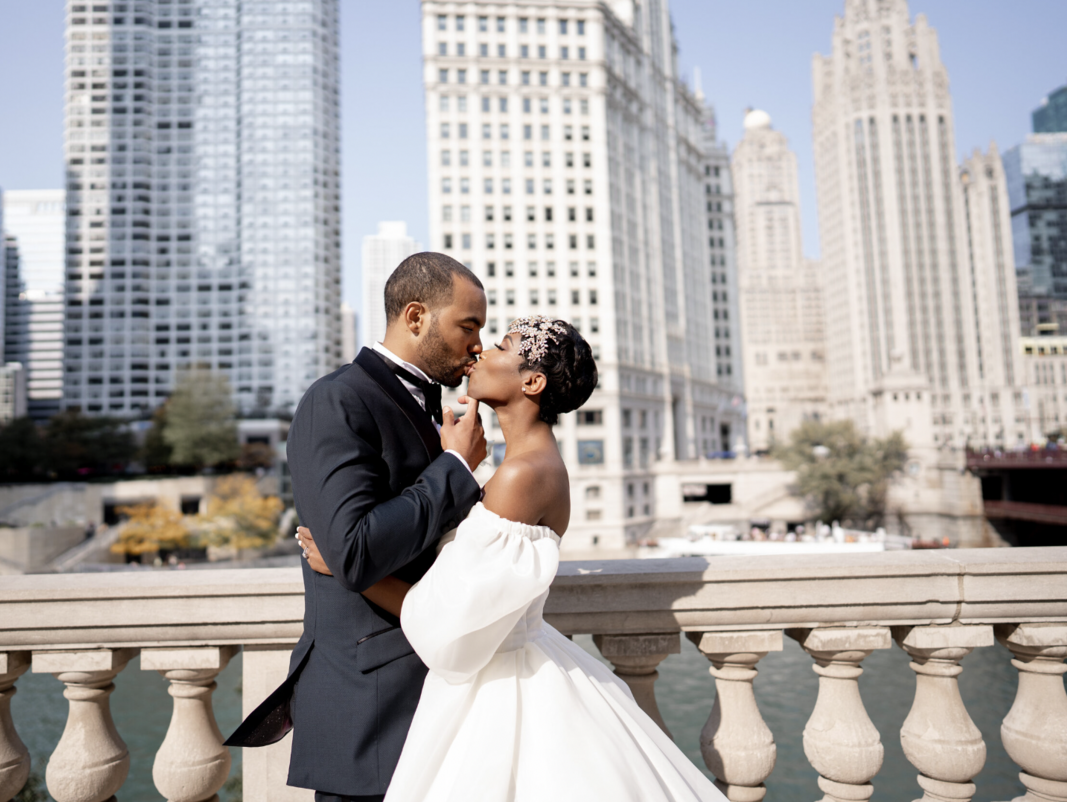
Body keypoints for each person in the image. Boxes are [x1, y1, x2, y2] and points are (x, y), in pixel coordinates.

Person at [300, 316, 728, 802]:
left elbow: (449, 619)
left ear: (532, 381)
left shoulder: (522, 475)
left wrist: (347, 570)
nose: (480, 351)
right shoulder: (524, 465)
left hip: (502, 691)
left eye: (501, 345)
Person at [225, 252, 490, 802]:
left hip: (435, 694)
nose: (478, 346)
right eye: (468, 326)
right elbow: (353, 552)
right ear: (416, 317)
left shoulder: (430, 408)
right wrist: (456, 469)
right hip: (370, 707)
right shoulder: (337, 399)